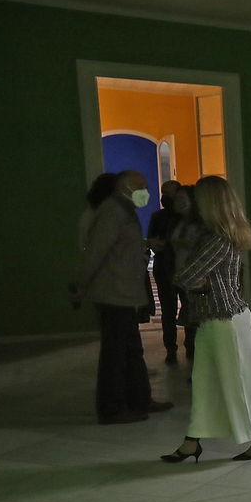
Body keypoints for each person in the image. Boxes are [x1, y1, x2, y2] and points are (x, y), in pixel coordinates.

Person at [160, 175, 251, 462]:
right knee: (204, 382)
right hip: (213, 318)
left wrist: (196, 279)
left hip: (226, 319)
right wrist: (198, 280)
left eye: (198, 198)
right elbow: (192, 277)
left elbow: (185, 276)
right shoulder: (212, 235)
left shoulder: (219, 239)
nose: (194, 203)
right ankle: (192, 441)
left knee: (239, 382)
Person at [70, 171, 173, 424]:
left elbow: (121, 244)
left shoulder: (123, 210)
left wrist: (146, 243)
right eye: (141, 186)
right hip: (113, 293)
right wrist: (81, 284)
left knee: (131, 350)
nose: (146, 191)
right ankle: (112, 408)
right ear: (125, 186)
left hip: (124, 293)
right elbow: (96, 250)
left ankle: (139, 398)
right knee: (115, 354)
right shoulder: (112, 211)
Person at [147, 181, 191, 365]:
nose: (166, 197)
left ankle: (191, 347)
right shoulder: (158, 216)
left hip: (185, 268)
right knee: (168, 310)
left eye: (170, 193)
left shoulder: (189, 219)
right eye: (164, 193)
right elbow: (152, 241)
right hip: (164, 268)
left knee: (190, 308)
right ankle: (171, 350)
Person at [168, 185, 204, 364]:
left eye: (183, 198)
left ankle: (197, 351)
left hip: (195, 276)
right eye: (177, 198)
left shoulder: (200, 224)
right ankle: (191, 349)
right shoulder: (179, 222)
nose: (179, 202)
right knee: (189, 314)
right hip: (182, 274)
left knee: (196, 315)